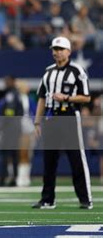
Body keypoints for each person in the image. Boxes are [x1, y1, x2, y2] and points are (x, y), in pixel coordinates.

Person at [32, 36, 93, 209]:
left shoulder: (77, 70)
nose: (57, 52)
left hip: (69, 116)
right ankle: (47, 199)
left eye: (60, 49)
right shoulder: (48, 71)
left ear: (68, 51)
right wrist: (37, 122)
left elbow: (86, 97)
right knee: (49, 161)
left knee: (76, 159)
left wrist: (66, 97)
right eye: (54, 49)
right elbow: (42, 98)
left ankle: (85, 199)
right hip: (51, 118)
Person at [0, 75, 23, 187]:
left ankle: (4, 178)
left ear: (13, 81)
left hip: (10, 128)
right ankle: (13, 178)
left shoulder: (12, 94)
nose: (5, 83)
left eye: (8, 81)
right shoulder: (13, 94)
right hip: (14, 128)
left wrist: (2, 124)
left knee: (7, 154)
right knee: (12, 154)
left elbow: (10, 111)